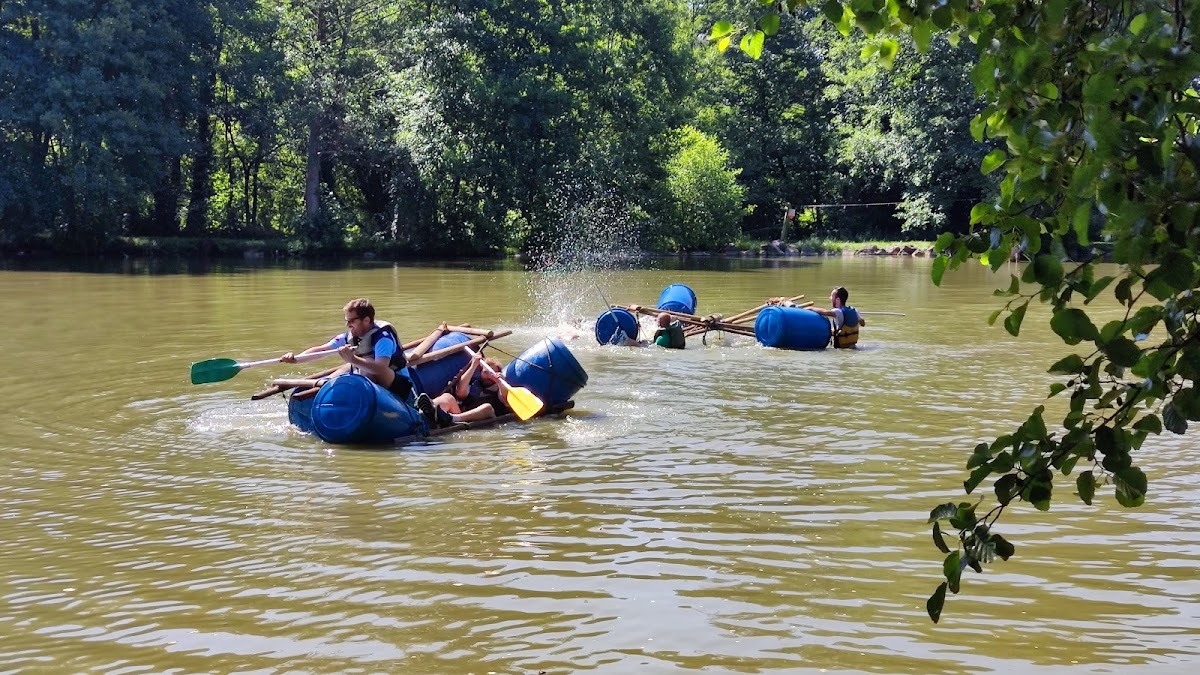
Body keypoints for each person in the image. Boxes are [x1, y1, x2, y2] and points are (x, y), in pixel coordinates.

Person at [281, 298, 413, 398]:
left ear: (366, 320)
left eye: (351, 321)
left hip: (398, 384)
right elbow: (321, 350)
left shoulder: (383, 338)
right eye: (346, 321)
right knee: (356, 369)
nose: (348, 325)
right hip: (371, 380)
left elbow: (380, 368)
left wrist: (353, 359)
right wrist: (296, 359)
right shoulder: (349, 336)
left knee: (365, 368)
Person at [415, 351, 512, 428]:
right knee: (447, 397)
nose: (489, 376)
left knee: (487, 408)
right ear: (481, 372)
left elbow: (505, 399)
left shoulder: (500, 387)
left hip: (485, 416)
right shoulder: (474, 384)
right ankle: (426, 412)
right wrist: (473, 365)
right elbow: (460, 392)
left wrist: (500, 382)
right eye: (486, 372)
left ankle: (451, 418)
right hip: (460, 417)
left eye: (492, 373)